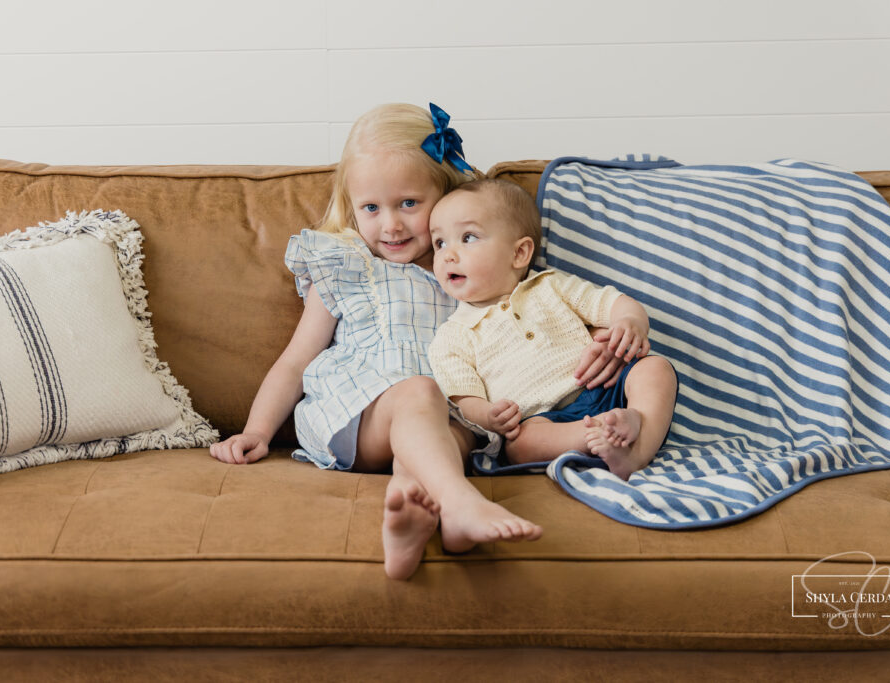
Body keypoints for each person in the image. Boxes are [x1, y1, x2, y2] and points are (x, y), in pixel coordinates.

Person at [209, 103, 544, 580]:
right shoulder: (349, 266)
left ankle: (416, 521)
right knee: (418, 390)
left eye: (409, 203)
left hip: (447, 416)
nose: (390, 225)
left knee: (442, 437)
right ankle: (462, 503)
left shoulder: (468, 270)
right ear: (351, 207)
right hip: (362, 415)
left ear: (444, 193)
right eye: (372, 208)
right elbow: (294, 361)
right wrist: (257, 431)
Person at [428, 179, 677, 480]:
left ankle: (639, 443)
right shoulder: (452, 335)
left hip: (605, 385)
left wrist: (631, 323)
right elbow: (463, 399)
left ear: (519, 254)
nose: (447, 255)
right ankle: (600, 435)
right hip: (542, 419)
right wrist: (489, 417)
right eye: (439, 243)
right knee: (520, 445)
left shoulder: (551, 285)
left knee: (656, 369)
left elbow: (613, 303)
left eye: (467, 237)